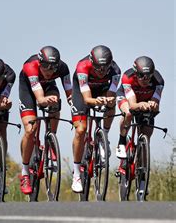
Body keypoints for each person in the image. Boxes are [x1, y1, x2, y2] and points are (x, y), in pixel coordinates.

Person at [18, 46, 72, 194]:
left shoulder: (63, 68)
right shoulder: (30, 66)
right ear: (40, 63)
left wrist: (75, 106)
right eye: (46, 68)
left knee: (56, 102)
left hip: (48, 87)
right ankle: (24, 173)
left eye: (53, 69)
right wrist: (43, 100)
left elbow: (70, 94)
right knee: (31, 129)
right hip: (29, 89)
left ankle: (51, 139)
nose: (49, 72)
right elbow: (40, 98)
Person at [70, 45, 121, 193]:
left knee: (112, 104)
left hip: (102, 90)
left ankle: (104, 135)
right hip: (82, 93)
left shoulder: (115, 70)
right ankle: (77, 174)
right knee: (81, 130)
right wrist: (96, 101)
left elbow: (111, 97)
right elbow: (87, 99)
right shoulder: (82, 66)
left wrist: (107, 101)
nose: (102, 71)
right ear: (92, 62)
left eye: (105, 68)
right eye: (98, 68)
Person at [115, 56, 164, 158]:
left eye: (148, 76)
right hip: (126, 97)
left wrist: (153, 105)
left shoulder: (159, 81)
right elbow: (132, 105)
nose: (145, 79)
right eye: (141, 75)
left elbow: (156, 106)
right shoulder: (127, 77)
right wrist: (140, 105)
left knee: (146, 136)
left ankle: (141, 166)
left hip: (145, 100)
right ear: (136, 73)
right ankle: (121, 142)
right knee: (128, 113)